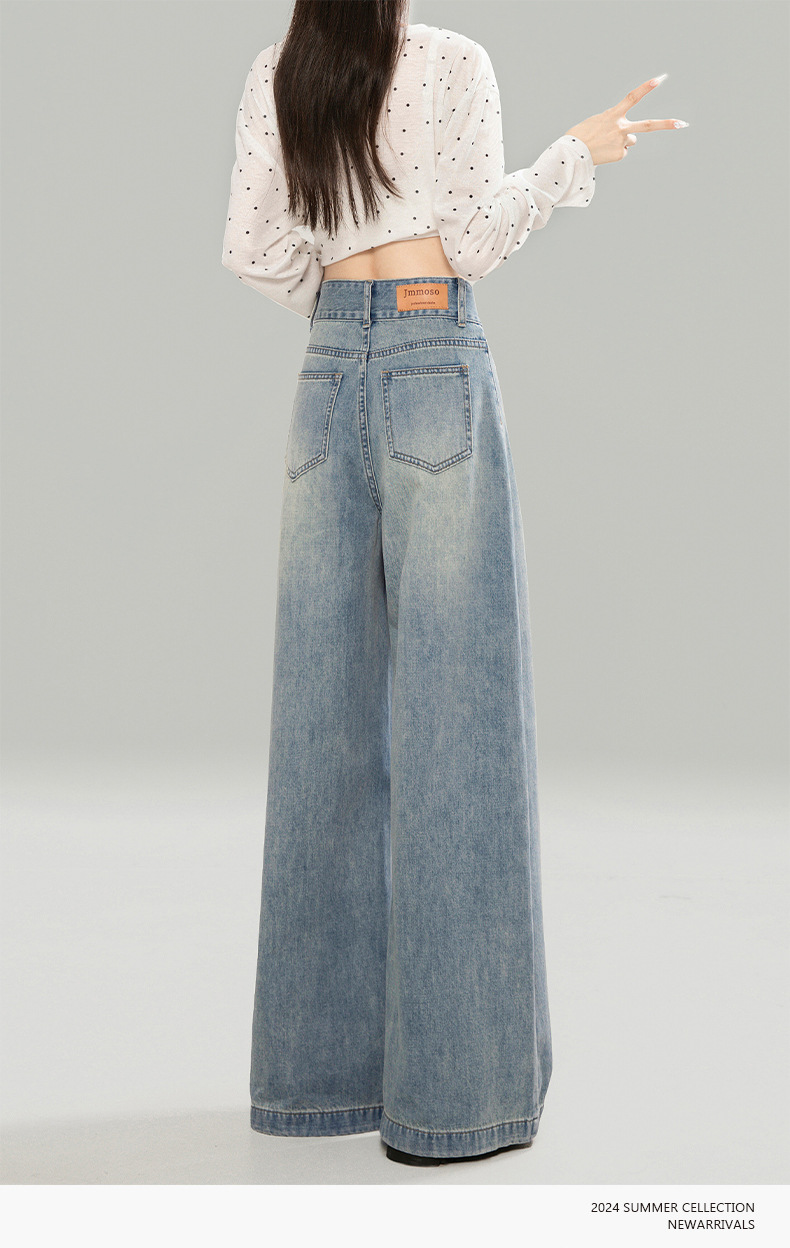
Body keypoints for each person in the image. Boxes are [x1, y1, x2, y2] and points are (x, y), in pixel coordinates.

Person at [220, 0, 687, 1167]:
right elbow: (472, 241)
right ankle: (454, 1101)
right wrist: (575, 156)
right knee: (459, 730)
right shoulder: (450, 61)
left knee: (322, 728)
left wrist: (347, 318)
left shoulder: (280, 70)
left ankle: (314, 1084)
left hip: (327, 373)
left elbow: (254, 249)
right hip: (434, 357)